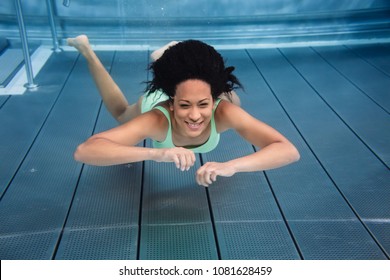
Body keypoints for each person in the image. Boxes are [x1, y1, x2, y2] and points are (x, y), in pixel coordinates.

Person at [69, 35, 300, 187]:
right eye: (184, 106)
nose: (195, 116)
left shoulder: (223, 110)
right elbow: (85, 151)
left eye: (203, 105)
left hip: (207, 92)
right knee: (121, 114)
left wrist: (232, 166)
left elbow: (288, 150)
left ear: (212, 102)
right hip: (160, 97)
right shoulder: (156, 119)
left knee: (233, 100)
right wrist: (156, 154)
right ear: (172, 104)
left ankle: (173, 59)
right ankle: (87, 51)